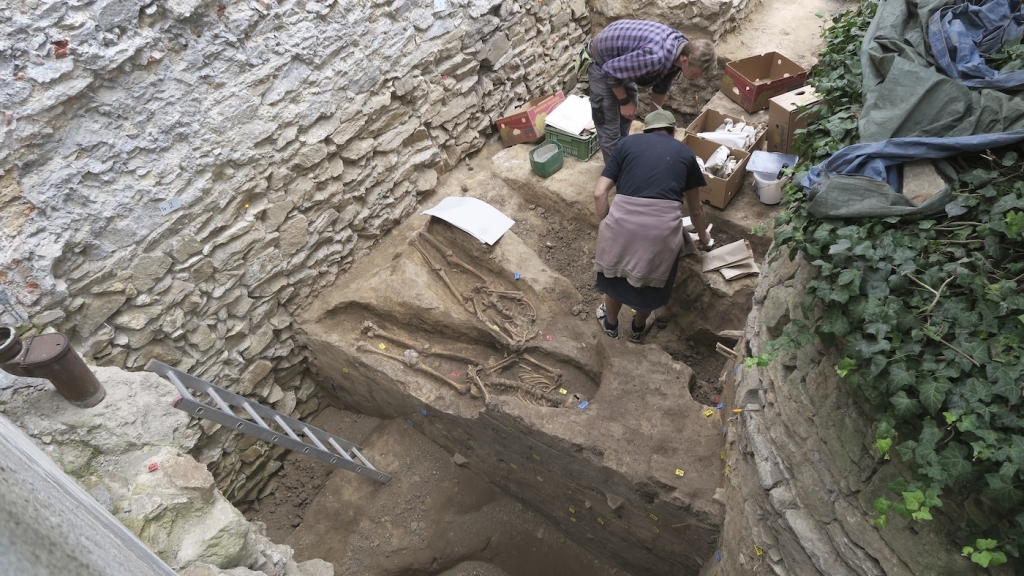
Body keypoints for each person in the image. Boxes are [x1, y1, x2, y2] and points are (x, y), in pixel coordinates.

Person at [592, 110, 711, 343]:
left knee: (615, 277)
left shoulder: (626, 144)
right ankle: (637, 330)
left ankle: (611, 325)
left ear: (645, 130)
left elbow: (599, 193)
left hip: (621, 225)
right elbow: (696, 210)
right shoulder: (687, 154)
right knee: (649, 285)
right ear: (673, 131)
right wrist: (704, 237)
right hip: (660, 233)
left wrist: (608, 224)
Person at [582, 19, 717, 161]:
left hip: (622, 59)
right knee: (609, 126)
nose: (696, 79)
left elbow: (661, 87)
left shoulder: (681, 48)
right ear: (685, 60)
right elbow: (609, 72)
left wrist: (656, 122)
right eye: (695, 74)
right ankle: (616, 175)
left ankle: (621, 157)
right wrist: (624, 101)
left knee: (627, 114)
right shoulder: (655, 58)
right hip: (603, 61)